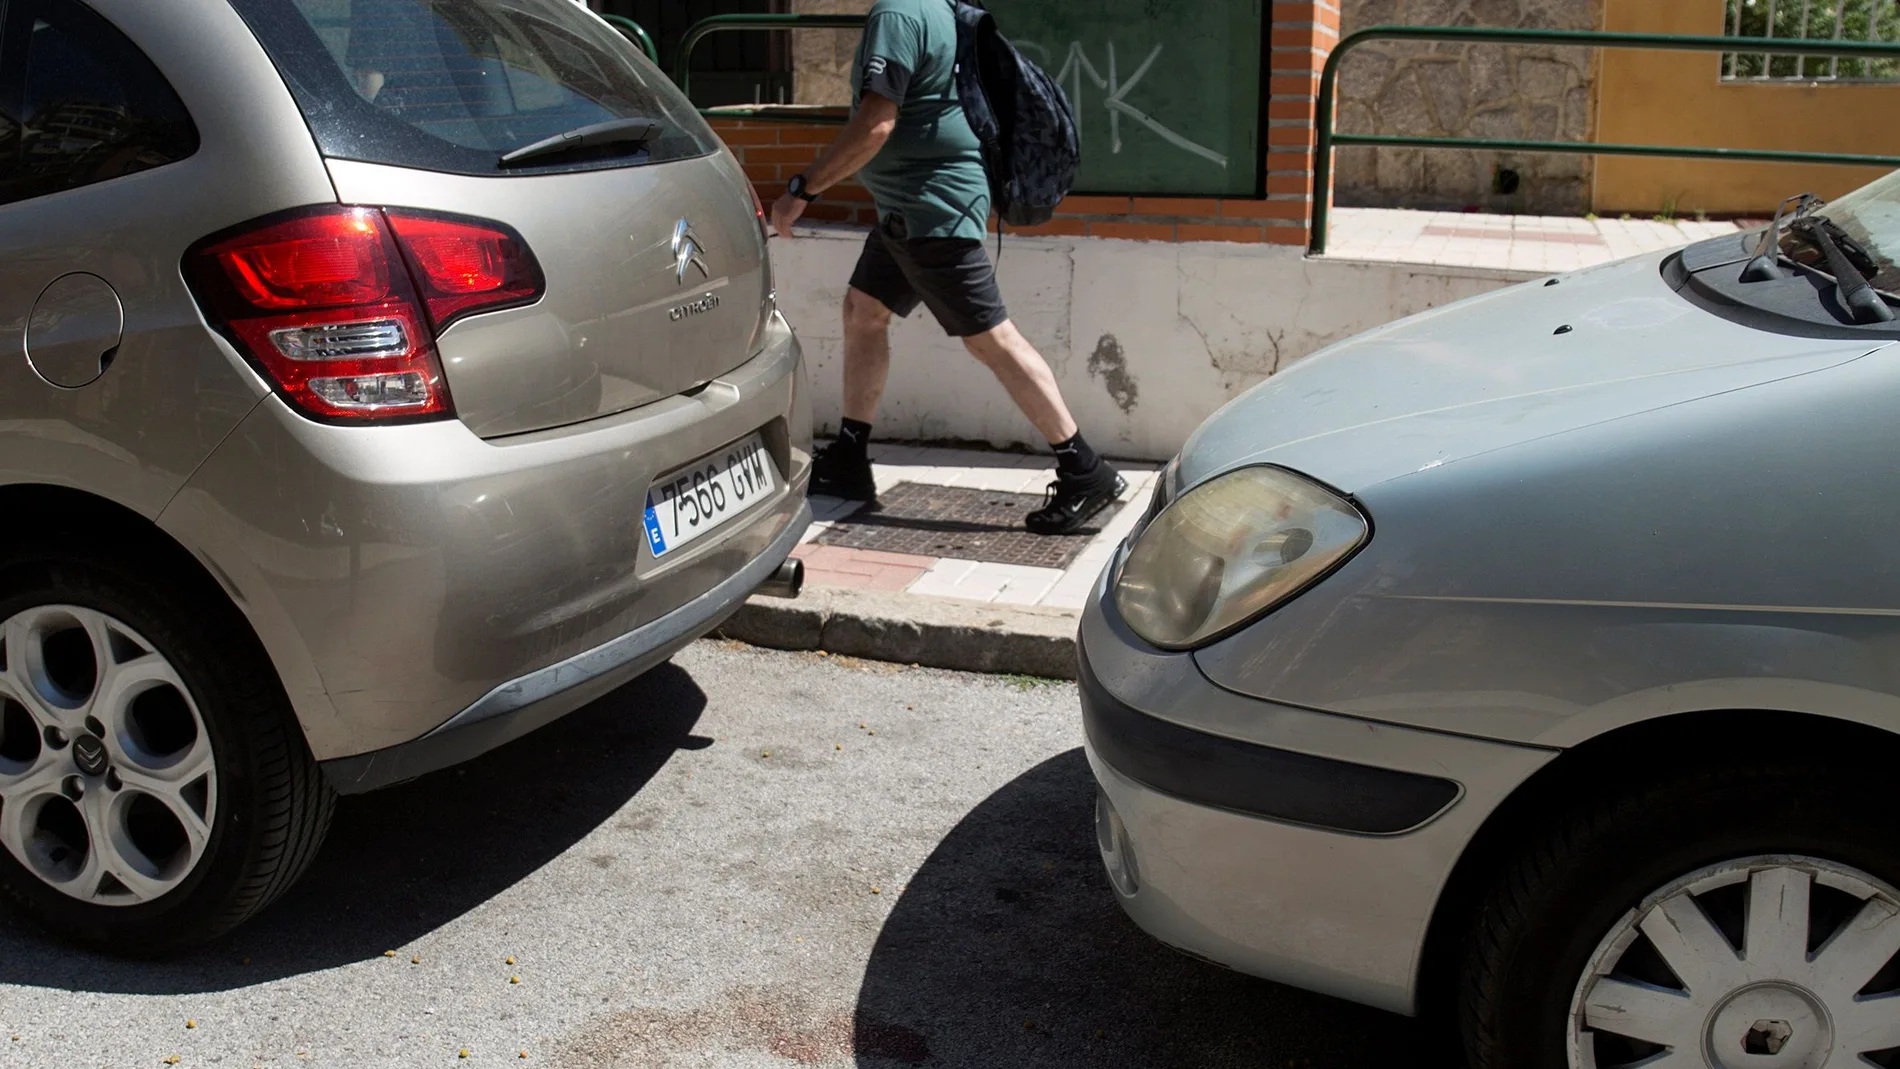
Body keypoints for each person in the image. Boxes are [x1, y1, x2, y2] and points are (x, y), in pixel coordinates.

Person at [768, 0, 1123, 535]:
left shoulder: (899, 14)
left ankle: (1084, 469)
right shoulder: (932, 7)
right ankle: (849, 458)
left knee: (991, 339)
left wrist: (803, 189)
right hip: (908, 209)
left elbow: (876, 124)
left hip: (931, 211)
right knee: (864, 311)